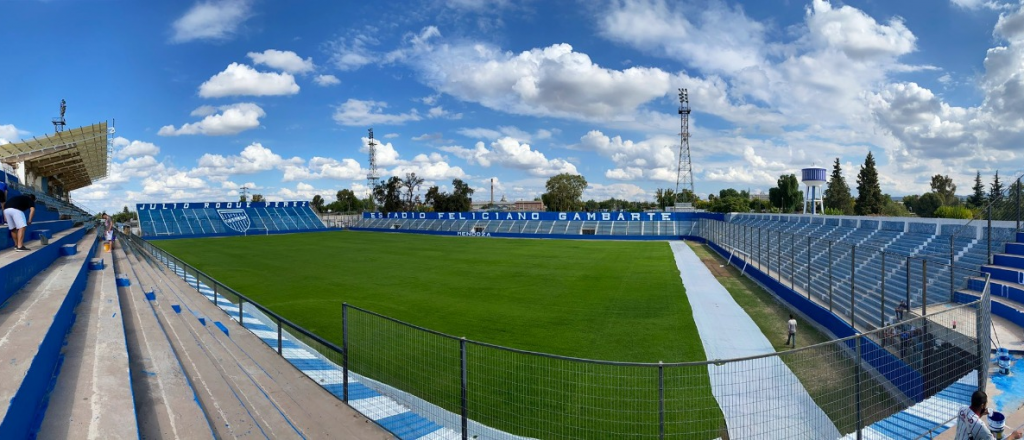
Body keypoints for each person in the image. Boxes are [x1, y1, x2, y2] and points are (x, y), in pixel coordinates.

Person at [956, 390, 1023, 439]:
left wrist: (981, 413)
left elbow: (970, 419)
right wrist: (1013, 436)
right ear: (982, 405)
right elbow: (975, 422)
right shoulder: (980, 426)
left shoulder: (961, 409)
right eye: (986, 403)